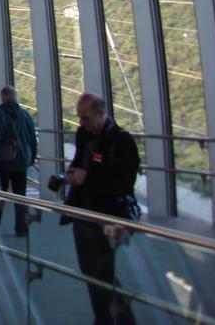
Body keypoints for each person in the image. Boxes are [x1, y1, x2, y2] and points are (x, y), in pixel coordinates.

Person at [61, 93, 140, 325]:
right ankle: (108, 316)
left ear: (101, 114)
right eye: (80, 118)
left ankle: (112, 317)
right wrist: (70, 175)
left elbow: (124, 183)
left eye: (85, 118)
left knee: (102, 270)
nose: (82, 123)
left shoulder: (122, 141)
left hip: (107, 216)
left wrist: (87, 178)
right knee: (91, 271)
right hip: (83, 214)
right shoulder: (83, 134)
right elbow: (79, 163)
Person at [0, 85, 37, 236]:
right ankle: (22, 226)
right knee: (20, 194)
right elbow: (32, 138)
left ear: (3, 97)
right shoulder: (25, 115)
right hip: (22, 161)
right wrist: (31, 157)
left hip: (3, 162)